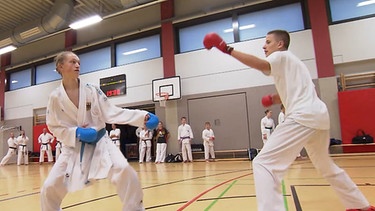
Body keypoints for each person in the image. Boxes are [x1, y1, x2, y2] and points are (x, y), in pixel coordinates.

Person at [203, 30, 374, 211]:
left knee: (263, 163)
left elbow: (261, 64)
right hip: (319, 117)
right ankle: (360, 205)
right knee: (326, 167)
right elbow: (298, 91)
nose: (264, 46)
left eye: (268, 42)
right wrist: (274, 98)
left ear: (280, 44)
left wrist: (226, 48)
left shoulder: (281, 57)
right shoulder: (294, 63)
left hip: (303, 116)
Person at [41, 51, 158, 211]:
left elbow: (112, 112)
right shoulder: (55, 97)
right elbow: (53, 125)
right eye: (73, 62)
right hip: (73, 148)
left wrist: (142, 117)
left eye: (79, 63)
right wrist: (76, 132)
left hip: (101, 143)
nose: (77, 65)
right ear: (60, 66)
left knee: (125, 171)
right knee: (49, 187)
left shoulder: (92, 90)